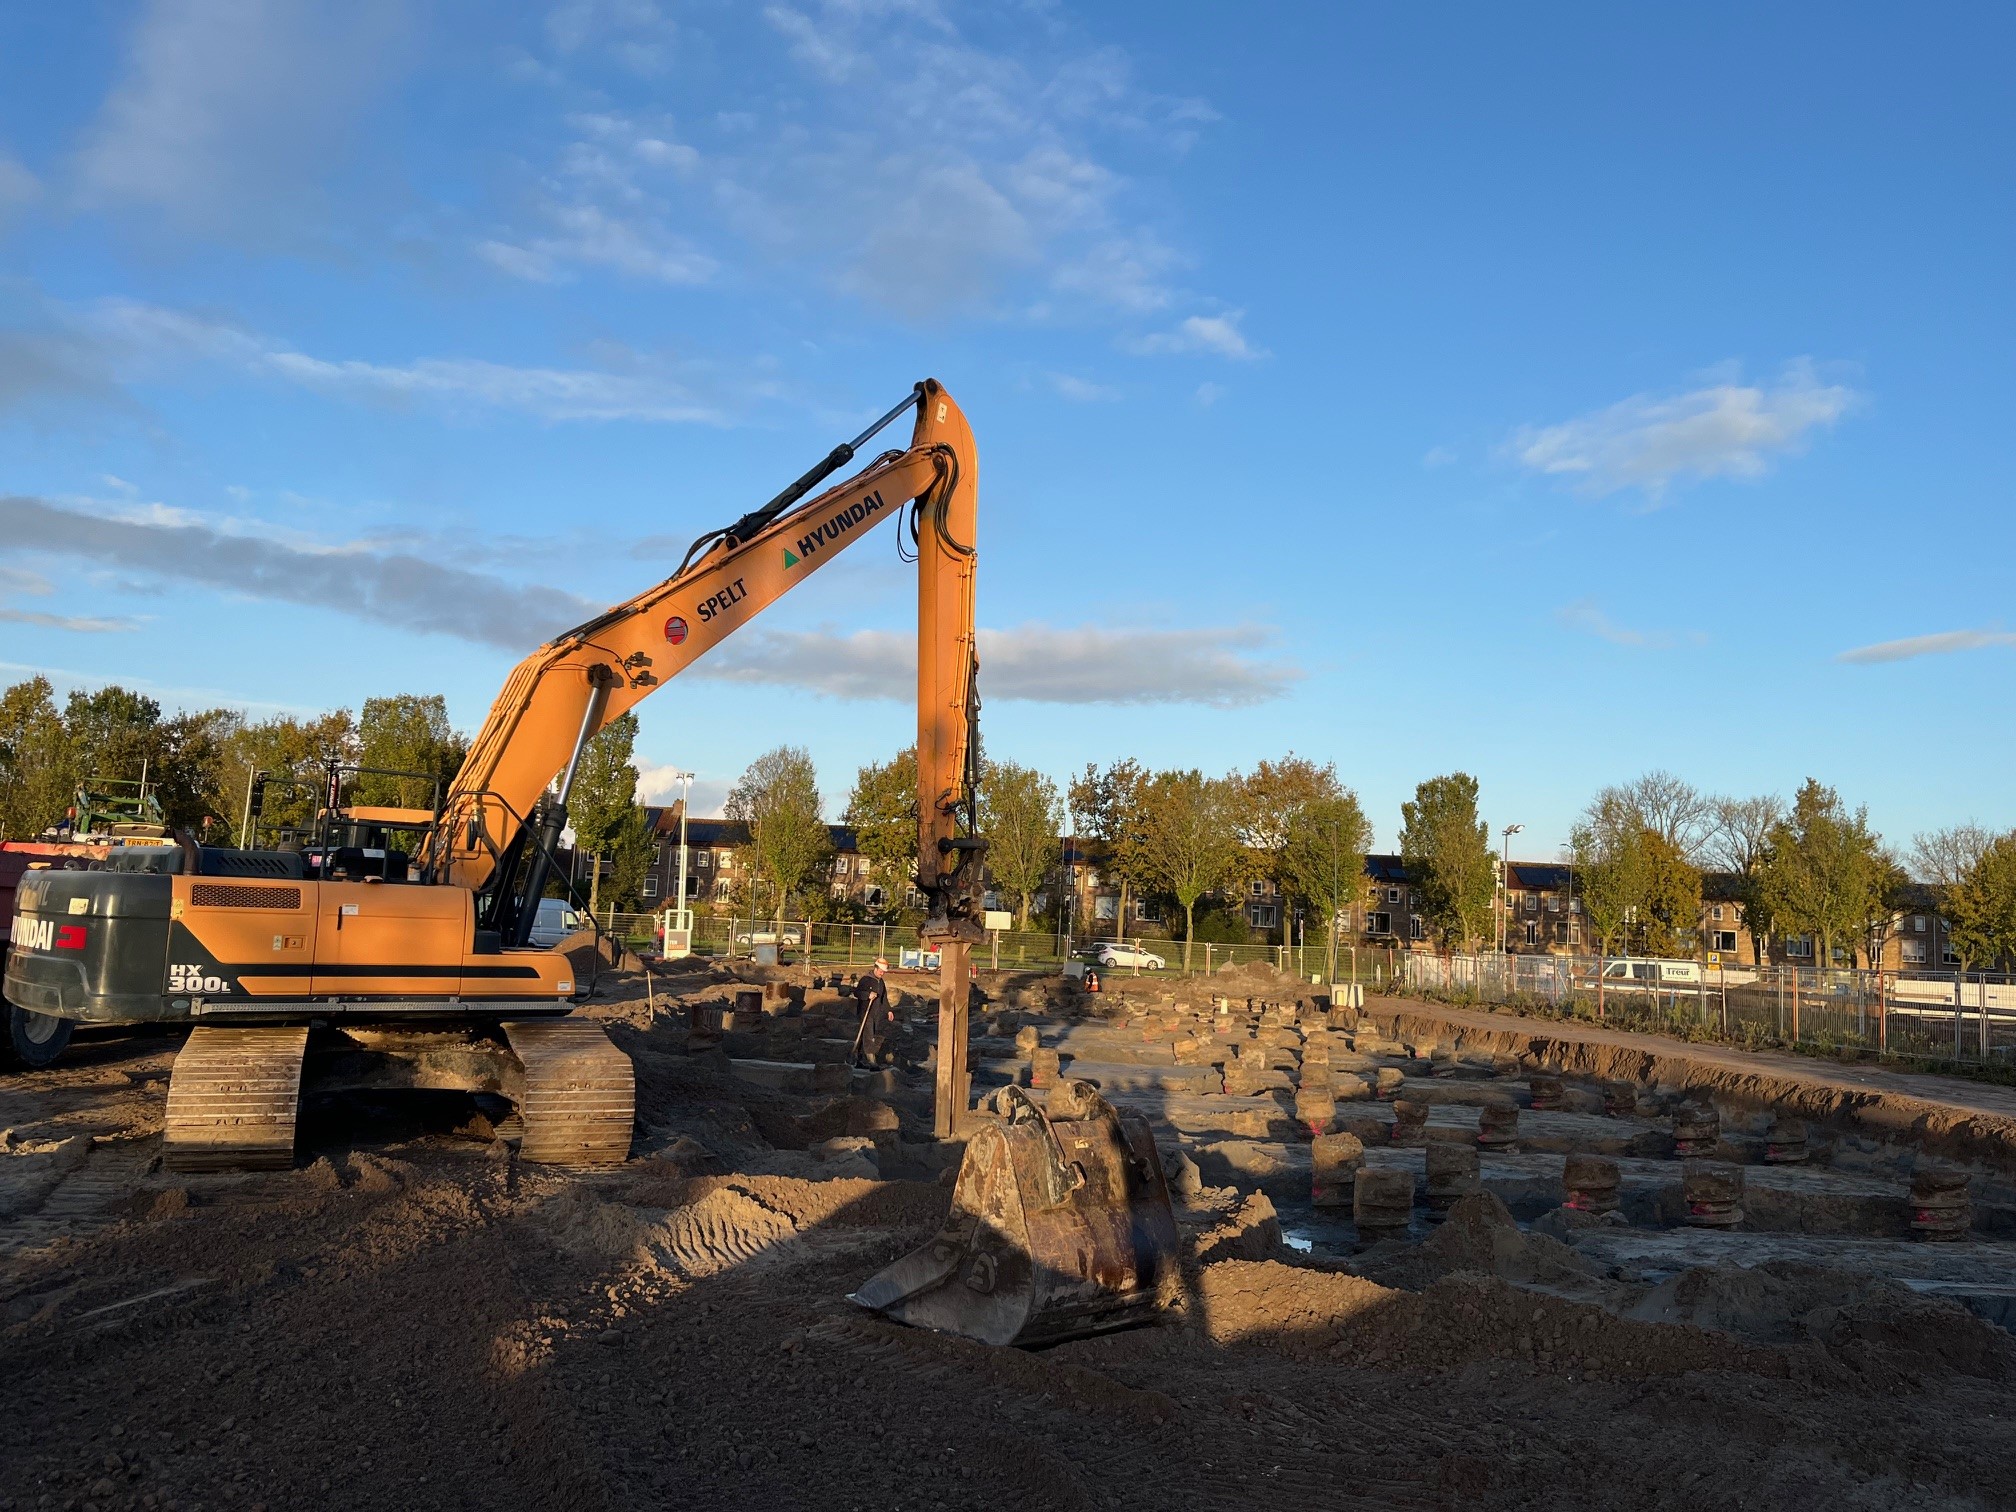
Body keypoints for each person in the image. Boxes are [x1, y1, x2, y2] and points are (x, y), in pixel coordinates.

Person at [852, 957, 894, 1068]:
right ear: (875, 968)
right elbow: (857, 993)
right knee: (869, 1036)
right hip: (865, 1012)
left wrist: (888, 1010)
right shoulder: (866, 979)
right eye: (881, 971)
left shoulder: (881, 982)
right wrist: (867, 995)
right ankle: (872, 1062)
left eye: (884, 972)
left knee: (866, 1036)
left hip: (876, 1013)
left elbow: (883, 998)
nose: (882, 973)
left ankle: (859, 1060)